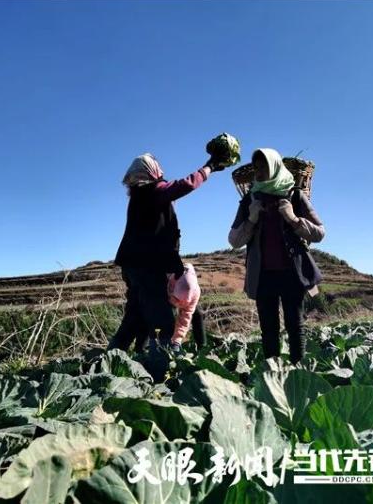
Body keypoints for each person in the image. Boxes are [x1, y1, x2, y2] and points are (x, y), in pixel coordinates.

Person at [108, 152, 225, 377]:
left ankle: (108, 363)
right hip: (147, 267)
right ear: (150, 172)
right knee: (162, 320)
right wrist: (209, 167)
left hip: (133, 265)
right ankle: (159, 371)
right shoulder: (152, 191)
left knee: (134, 317)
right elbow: (184, 186)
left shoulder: (139, 196)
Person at [228, 148, 325, 365]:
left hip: (293, 273)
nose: (259, 171)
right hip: (263, 276)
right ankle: (272, 377)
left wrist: (293, 218)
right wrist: (251, 219)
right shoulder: (249, 200)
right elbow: (234, 241)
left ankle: (299, 374)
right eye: (257, 167)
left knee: (295, 325)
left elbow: (319, 232)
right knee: (268, 329)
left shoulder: (295, 195)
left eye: (264, 166)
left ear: (275, 167)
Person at [133, 262, 206, 354]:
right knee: (151, 317)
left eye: (178, 301)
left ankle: (202, 349)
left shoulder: (194, 295)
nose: (176, 302)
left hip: (173, 292)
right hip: (152, 288)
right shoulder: (165, 279)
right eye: (175, 298)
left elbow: (185, 319)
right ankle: (141, 350)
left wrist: (177, 340)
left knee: (196, 314)